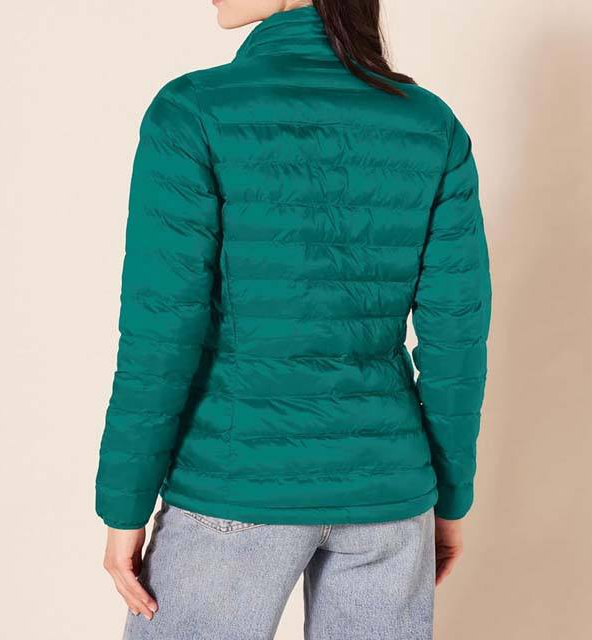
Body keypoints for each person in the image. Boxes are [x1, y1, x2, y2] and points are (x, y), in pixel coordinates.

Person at [95, 1, 492, 638]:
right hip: (389, 497)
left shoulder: (195, 111)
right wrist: (449, 498)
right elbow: (457, 341)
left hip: (235, 486)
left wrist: (125, 506)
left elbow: (161, 333)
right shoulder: (429, 124)